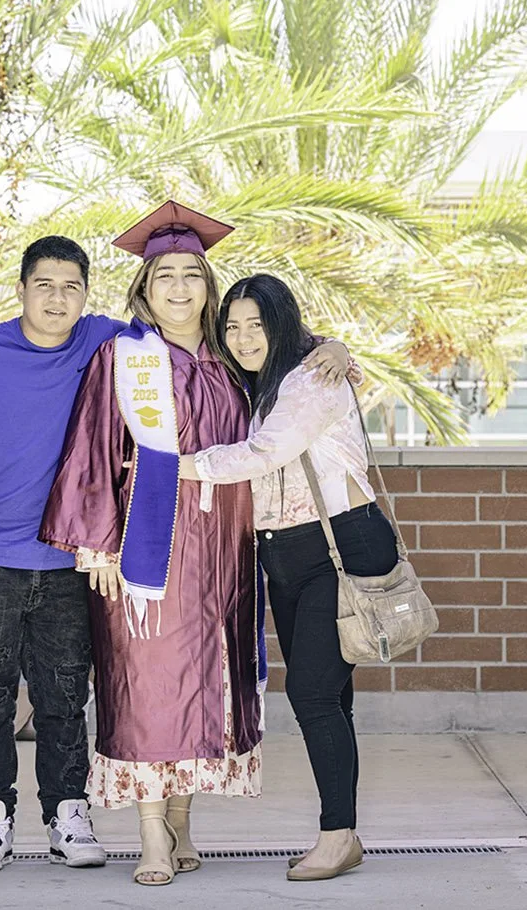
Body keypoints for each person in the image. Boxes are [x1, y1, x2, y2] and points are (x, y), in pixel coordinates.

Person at [40, 203, 355, 887]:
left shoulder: (233, 361)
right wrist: (92, 545)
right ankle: (152, 836)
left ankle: (182, 820)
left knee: (206, 686)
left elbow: (293, 381)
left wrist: (334, 345)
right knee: (147, 688)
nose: (178, 289)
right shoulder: (122, 357)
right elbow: (90, 452)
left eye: (192, 275)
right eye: (164, 277)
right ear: (143, 288)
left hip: (225, 553)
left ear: (209, 287)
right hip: (145, 551)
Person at [179, 273, 399, 884]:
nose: (244, 337)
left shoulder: (309, 379)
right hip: (287, 555)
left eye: (258, 324)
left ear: (283, 325)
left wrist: (178, 467)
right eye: (233, 325)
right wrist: (337, 343)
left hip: (340, 546)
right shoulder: (259, 384)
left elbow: (265, 453)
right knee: (332, 697)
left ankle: (336, 837)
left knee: (312, 693)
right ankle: (345, 832)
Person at [0, 236, 121, 872]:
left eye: (71, 287)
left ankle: (66, 813)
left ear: (86, 293)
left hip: (68, 560)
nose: (58, 298)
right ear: (21, 289)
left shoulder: (102, 341)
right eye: (44, 285)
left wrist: (318, 347)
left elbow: (190, 320)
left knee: (63, 696)